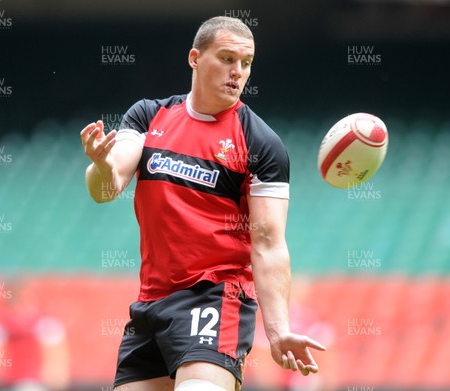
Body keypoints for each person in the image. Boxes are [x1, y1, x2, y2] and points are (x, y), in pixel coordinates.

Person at [80, 16, 325, 391]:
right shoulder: (149, 116)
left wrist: (278, 332)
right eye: (227, 58)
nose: (237, 72)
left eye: (246, 63)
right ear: (195, 58)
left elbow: (269, 244)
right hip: (152, 302)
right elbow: (106, 188)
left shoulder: (261, 144)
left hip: (215, 295)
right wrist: (99, 164)